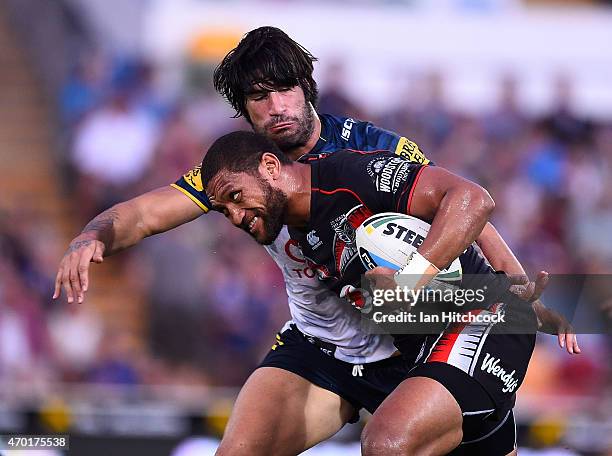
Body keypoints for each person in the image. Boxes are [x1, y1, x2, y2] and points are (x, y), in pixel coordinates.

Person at [54, 26, 578, 455]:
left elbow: (465, 212)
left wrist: (512, 290)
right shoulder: (242, 175)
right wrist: (90, 235)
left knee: (407, 442)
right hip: (323, 345)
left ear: (307, 87)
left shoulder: (371, 150)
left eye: (285, 89)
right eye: (260, 98)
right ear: (246, 112)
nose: (277, 106)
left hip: (411, 338)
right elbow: (145, 213)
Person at [201, 130, 541, 455]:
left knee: (386, 443)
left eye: (235, 197)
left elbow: (473, 199)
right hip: (425, 348)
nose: (235, 217)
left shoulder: (351, 173)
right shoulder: (301, 232)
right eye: (224, 211)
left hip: (484, 318)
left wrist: (410, 282)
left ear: (271, 167)